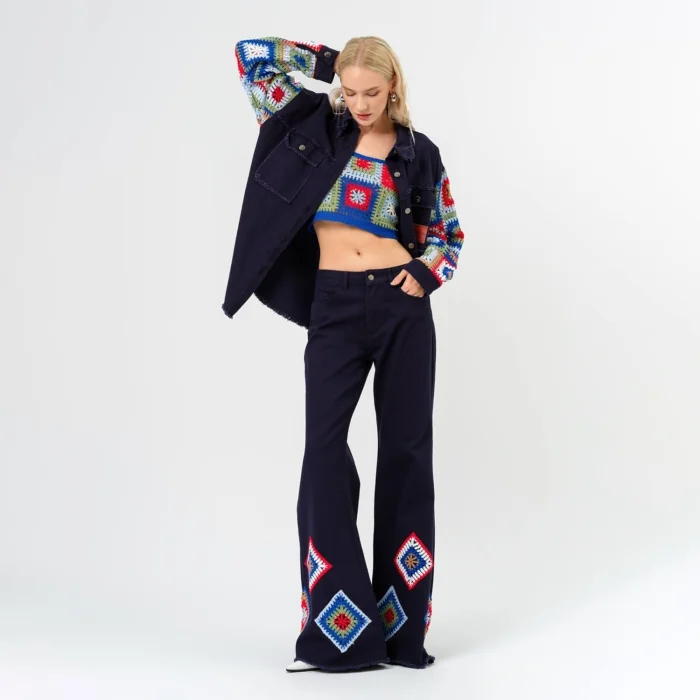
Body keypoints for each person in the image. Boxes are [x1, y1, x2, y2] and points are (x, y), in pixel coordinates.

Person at [223, 35, 464, 672]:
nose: (358, 103)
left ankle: (402, 631)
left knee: (407, 454)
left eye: (371, 91)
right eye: (349, 91)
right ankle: (341, 633)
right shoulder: (313, 129)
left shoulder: (417, 151)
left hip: (401, 305)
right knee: (324, 453)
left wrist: (426, 273)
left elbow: (448, 232)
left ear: (394, 88)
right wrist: (334, 63)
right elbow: (251, 56)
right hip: (332, 305)